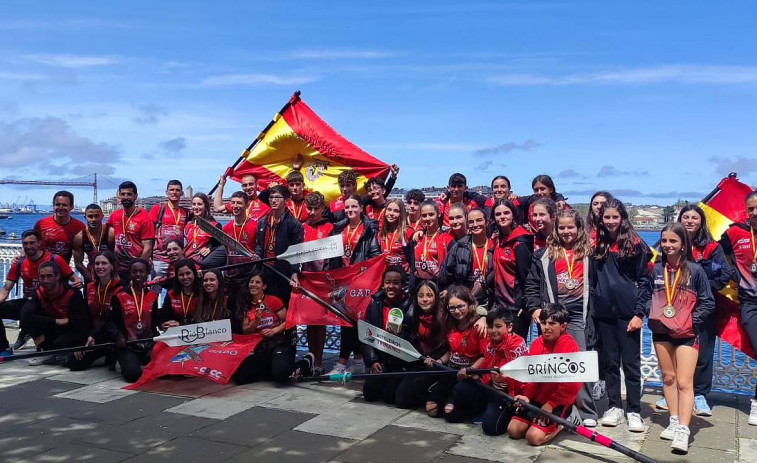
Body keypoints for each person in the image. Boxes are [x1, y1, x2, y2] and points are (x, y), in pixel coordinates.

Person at [644, 223, 715, 453]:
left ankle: (683, 430)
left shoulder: (695, 271)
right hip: (661, 331)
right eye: (664, 241)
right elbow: (644, 295)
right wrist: (651, 310)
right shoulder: (656, 270)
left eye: (673, 241)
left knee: (685, 382)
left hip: (686, 333)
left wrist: (691, 321)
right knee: (668, 378)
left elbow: (708, 302)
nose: (667, 245)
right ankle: (673, 420)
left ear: (684, 244)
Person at [524, 209, 599, 427]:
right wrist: (534, 309)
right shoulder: (544, 255)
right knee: (550, 361)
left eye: (571, 227)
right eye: (562, 227)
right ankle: (554, 404)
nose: (566, 231)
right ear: (556, 230)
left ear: (579, 228)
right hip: (552, 314)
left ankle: (587, 412)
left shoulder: (589, 253)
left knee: (578, 361)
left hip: (577, 315)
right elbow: (531, 286)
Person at [655, 205, 731, 415]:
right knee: (676, 351)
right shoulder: (670, 245)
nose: (689, 221)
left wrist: (702, 291)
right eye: (685, 217)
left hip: (702, 308)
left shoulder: (711, 248)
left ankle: (699, 395)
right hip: (674, 308)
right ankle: (673, 393)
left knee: (704, 352)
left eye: (694, 218)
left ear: (701, 222)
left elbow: (725, 274)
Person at [593, 199, 652, 432]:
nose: (610, 221)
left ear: (622, 218)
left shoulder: (635, 244)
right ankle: (614, 406)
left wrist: (640, 313)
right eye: (606, 217)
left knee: (631, 364)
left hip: (628, 313)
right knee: (609, 362)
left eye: (614, 217)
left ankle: (634, 410)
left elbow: (645, 281)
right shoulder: (598, 244)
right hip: (604, 313)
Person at [507, 303, 582, 446]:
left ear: (563, 326)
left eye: (552, 323)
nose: (546, 327)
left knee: (533, 438)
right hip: (537, 398)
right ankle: (538, 422)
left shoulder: (570, 347)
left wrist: (550, 404)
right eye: (543, 323)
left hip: (558, 401)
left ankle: (564, 421)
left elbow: (573, 384)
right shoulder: (536, 344)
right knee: (513, 431)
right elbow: (530, 375)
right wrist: (527, 396)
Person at [445, 306, 527, 431]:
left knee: (490, 428)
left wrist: (504, 380)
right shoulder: (490, 343)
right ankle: (481, 409)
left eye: (498, 327)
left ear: (509, 327)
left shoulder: (517, 344)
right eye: (490, 326)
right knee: (460, 391)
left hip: (507, 394)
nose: (493, 330)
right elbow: (485, 369)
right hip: (490, 388)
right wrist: (473, 374)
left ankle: (507, 414)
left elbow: (521, 378)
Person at [0, 230, 81, 356]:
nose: (28, 246)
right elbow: (5, 290)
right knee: (15, 310)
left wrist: (77, 284)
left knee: (30, 316)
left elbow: (74, 279)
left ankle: (39, 341)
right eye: (25, 243)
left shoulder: (54, 259)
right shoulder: (20, 263)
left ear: (39, 243)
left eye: (32, 243)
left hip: (50, 305)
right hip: (31, 303)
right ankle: (3, 348)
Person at [325, 194, 380, 375]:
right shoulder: (339, 229)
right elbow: (331, 256)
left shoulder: (370, 228)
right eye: (347, 207)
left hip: (361, 283)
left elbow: (374, 255)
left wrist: (365, 278)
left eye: (354, 207)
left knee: (358, 322)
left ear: (361, 208)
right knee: (346, 323)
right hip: (342, 283)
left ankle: (344, 363)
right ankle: (356, 360)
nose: (350, 210)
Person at [720, 190, 757, 426]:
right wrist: (732, 273)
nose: (755, 212)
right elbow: (716, 251)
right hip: (750, 303)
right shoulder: (735, 232)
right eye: (751, 208)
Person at [426, 286, 486, 418]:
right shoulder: (450, 324)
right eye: (452, 308)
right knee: (431, 409)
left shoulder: (479, 326)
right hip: (452, 372)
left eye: (460, 306)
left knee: (450, 415)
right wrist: (438, 361)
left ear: (469, 304)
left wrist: (470, 369)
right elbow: (451, 350)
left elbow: (484, 356)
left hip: (469, 376)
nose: (456, 311)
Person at [20, 261, 90, 365]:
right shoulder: (38, 292)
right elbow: (25, 316)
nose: (45, 280)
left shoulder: (73, 294)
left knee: (60, 342)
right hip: (55, 325)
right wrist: (54, 322)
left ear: (57, 276)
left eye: (49, 276)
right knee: (29, 321)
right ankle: (47, 348)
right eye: (42, 277)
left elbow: (82, 323)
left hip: (72, 328)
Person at [101, 259, 159, 383]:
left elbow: (155, 321)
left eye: (142, 271)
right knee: (132, 376)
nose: (138, 274)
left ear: (147, 273)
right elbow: (110, 322)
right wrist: (118, 336)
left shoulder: (153, 296)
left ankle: (144, 361)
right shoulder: (120, 295)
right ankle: (124, 361)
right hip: (127, 345)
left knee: (163, 368)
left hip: (147, 343)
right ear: (130, 273)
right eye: (135, 271)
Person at [233, 270, 296, 384]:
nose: (253, 285)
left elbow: (289, 321)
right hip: (258, 347)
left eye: (257, 282)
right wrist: (256, 320)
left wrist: (274, 331)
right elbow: (246, 331)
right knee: (239, 377)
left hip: (276, 343)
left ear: (264, 286)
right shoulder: (245, 303)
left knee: (280, 376)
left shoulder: (273, 300)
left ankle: (302, 363)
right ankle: (272, 369)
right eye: (251, 282)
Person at [361, 266, 413, 403]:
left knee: (390, 397)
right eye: (387, 282)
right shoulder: (375, 304)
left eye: (396, 283)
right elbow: (367, 334)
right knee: (369, 394)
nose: (391, 286)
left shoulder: (410, 306)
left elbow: (414, 338)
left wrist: (399, 337)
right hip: (381, 359)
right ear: (383, 284)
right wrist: (373, 361)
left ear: (402, 285)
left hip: (400, 362)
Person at [395, 280, 449, 409]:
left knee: (420, 386)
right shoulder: (412, 316)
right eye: (421, 296)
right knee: (401, 400)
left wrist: (439, 361)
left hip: (440, 365)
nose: (424, 300)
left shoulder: (446, 317)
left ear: (436, 298)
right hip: (420, 364)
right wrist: (396, 334)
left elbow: (452, 348)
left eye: (429, 296)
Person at [69, 251, 123, 371]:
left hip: (112, 333)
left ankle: (110, 354)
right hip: (93, 333)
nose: (100, 267)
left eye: (104, 263)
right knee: (73, 363)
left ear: (112, 266)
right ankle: (102, 356)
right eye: (97, 264)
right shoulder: (90, 287)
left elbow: (114, 319)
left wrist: (94, 335)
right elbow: (85, 317)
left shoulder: (120, 288)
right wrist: (82, 341)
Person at [490, 199, 534, 340]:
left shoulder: (520, 242)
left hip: (517, 308)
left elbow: (526, 276)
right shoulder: (498, 239)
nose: (502, 217)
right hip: (500, 305)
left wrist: (526, 305)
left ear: (513, 215)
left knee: (514, 349)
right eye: (498, 214)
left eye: (506, 213)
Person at [301, 191, 334, 374]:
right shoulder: (301, 227)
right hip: (304, 279)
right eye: (309, 208)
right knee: (308, 321)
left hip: (322, 281)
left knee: (319, 322)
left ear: (323, 209)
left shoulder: (330, 227)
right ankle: (310, 357)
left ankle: (319, 361)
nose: (312, 212)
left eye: (316, 209)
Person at [255, 185, 304, 306]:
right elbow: (259, 245)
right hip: (265, 271)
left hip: (283, 272)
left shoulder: (294, 224)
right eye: (271, 197)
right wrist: (257, 258)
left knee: (282, 306)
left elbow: (297, 251)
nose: (273, 200)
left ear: (286, 200)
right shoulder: (262, 222)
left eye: (277, 197)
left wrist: (294, 272)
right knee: (265, 305)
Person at [439, 208, 493, 306]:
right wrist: (449, 290)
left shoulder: (494, 247)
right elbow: (447, 275)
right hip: (463, 300)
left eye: (479, 220)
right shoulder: (458, 247)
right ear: (467, 225)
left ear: (487, 222)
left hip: (489, 301)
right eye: (471, 222)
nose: (475, 225)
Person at [107, 181, 155, 282]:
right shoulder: (114, 216)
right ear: (119, 196)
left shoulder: (144, 218)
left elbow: (148, 247)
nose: (126, 197)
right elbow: (107, 237)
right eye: (123, 194)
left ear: (135, 196)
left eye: (129, 194)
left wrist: (139, 269)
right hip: (117, 269)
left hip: (135, 270)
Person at [148, 180, 189, 280]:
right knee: (154, 291)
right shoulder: (158, 208)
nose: (174, 192)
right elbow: (148, 233)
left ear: (182, 193)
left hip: (177, 260)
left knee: (175, 291)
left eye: (177, 190)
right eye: (171, 190)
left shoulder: (185, 212)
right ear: (167, 192)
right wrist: (148, 256)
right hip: (159, 260)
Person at [221, 191, 259, 296]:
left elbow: (258, 249)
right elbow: (226, 250)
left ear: (246, 205)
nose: (235, 206)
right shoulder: (226, 228)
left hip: (247, 276)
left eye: (239, 203)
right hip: (230, 277)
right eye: (233, 202)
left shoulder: (255, 226)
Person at [33, 190, 86, 264]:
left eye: (64, 205)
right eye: (57, 204)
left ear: (71, 207)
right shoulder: (41, 224)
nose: (60, 207)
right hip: (41, 269)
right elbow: (31, 243)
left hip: (63, 271)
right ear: (53, 206)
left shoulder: (79, 226)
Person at [413, 199, 455, 283]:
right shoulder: (417, 238)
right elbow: (412, 268)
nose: (427, 218)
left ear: (438, 214)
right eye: (424, 215)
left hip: (438, 286)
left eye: (431, 214)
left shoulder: (447, 239)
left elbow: (452, 269)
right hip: (419, 285)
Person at [73, 204, 113, 282]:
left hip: (111, 276)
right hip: (91, 274)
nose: (93, 219)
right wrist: (92, 279)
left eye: (97, 216)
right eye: (90, 216)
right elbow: (78, 263)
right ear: (85, 218)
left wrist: (113, 277)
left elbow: (118, 258)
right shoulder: (79, 237)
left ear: (102, 216)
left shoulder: (111, 234)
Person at [185, 192, 226, 269]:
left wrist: (210, 249)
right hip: (187, 263)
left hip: (202, 264)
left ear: (206, 206)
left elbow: (221, 246)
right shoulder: (187, 225)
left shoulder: (214, 226)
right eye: (194, 204)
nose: (196, 207)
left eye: (199, 204)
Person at [378, 199, 414, 276]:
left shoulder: (408, 232)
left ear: (401, 214)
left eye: (396, 211)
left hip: (404, 278)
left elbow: (413, 259)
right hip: (385, 277)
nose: (391, 213)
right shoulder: (380, 234)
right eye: (389, 210)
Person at [161, 259, 201, 328]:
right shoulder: (171, 294)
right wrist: (164, 325)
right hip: (177, 334)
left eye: (188, 273)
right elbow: (163, 320)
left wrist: (181, 325)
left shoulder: (202, 292)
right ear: (177, 277)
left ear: (194, 273)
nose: (185, 277)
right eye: (181, 275)